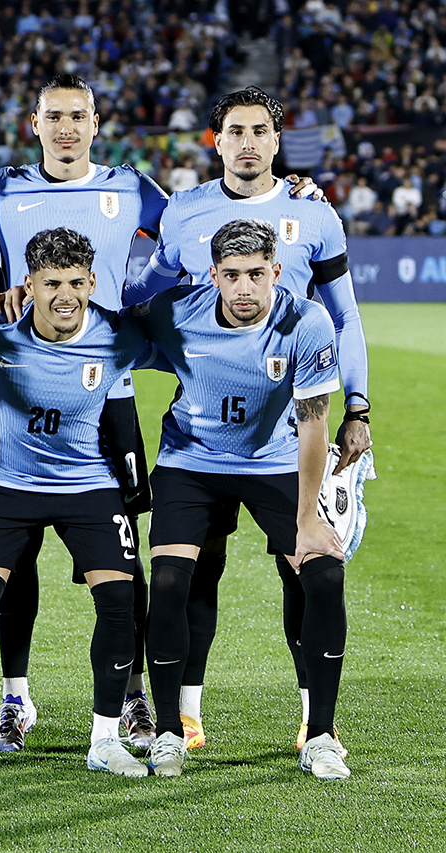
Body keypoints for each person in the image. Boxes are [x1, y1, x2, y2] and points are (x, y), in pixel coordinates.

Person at [125, 86, 371, 752]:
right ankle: (185, 716)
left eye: (260, 130)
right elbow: (148, 294)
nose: (248, 143)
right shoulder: (184, 211)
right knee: (191, 573)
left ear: (276, 139)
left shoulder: (313, 213)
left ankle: (315, 721)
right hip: (201, 428)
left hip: (284, 430)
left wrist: (357, 404)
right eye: (235, 131)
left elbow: (344, 316)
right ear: (218, 140)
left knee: (305, 568)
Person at [0, 228, 164, 780]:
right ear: (29, 285)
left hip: (87, 484)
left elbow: (195, 338)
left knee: (121, 600)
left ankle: (105, 739)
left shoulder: (118, 333)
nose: (66, 296)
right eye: (52, 283)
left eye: (77, 283)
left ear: (93, 283)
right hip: (6, 484)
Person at [133, 218, 350, 780]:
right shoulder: (175, 311)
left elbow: (314, 424)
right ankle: (169, 731)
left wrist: (308, 518)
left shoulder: (306, 321)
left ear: (276, 271)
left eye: (256, 274)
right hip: (190, 463)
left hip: (273, 463)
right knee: (170, 582)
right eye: (231, 275)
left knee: (323, 574)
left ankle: (321, 734)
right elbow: (102, 328)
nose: (244, 288)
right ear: (213, 276)